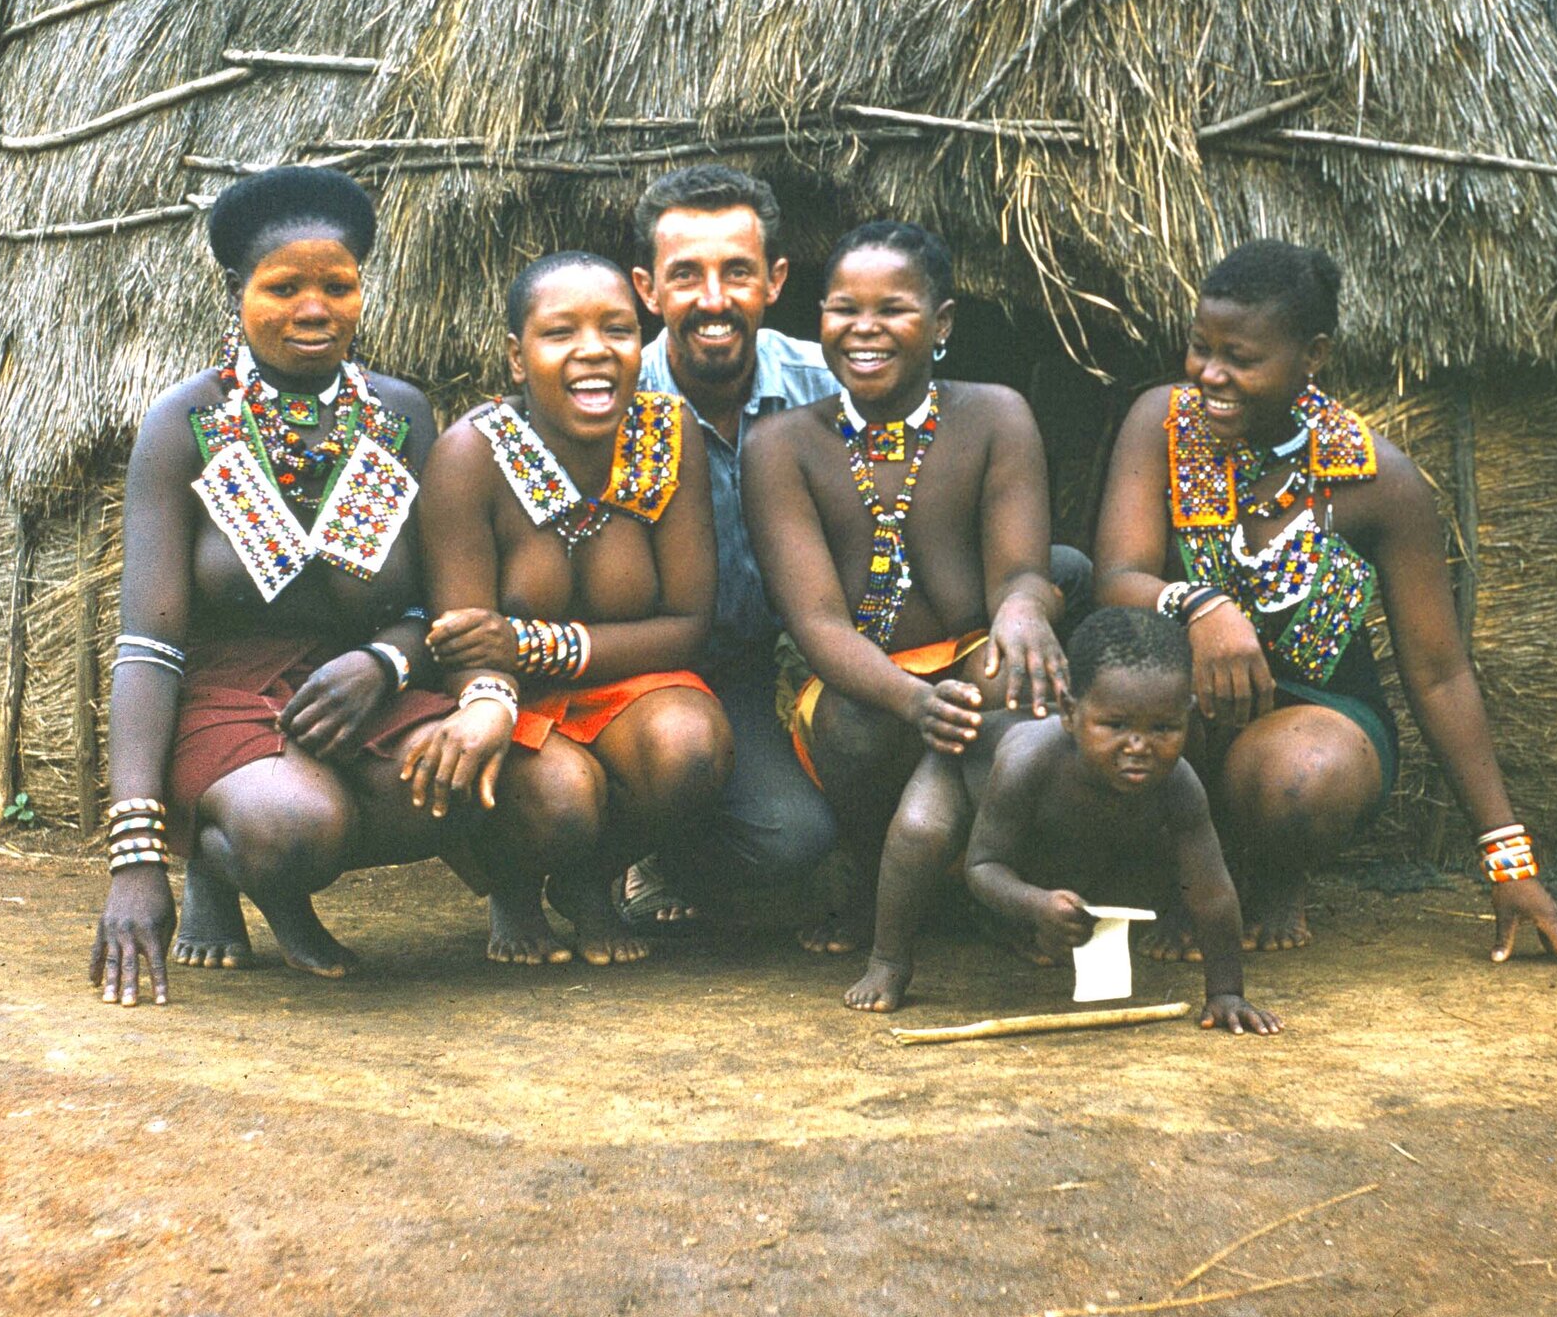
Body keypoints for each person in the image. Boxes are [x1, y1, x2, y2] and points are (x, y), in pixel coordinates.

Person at [1093, 238, 1557, 968]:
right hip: (1183, 706)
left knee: (1298, 783)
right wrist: (1203, 606)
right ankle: (1185, 880)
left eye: (1240, 358)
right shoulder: (1163, 425)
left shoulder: (1379, 482)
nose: (1210, 374)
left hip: (1316, 711)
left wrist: (1509, 860)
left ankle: (1276, 872)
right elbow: (1116, 576)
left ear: (1313, 355)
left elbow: (1438, 674)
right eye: (1199, 347)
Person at [91, 167, 450, 1006]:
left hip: (360, 695)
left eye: (338, 285)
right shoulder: (186, 425)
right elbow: (147, 645)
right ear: (237, 293)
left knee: (468, 782)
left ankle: (262, 849)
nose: (314, 309)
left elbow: (441, 597)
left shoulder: (401, 417)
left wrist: (387, 664)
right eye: (283, 287)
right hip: (222, 701)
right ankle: (225, 860)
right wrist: (136, 855)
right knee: (296, 825)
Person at [742, 220, 1072, 1009]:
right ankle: (874, 877)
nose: (864, 329)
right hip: (861, 668)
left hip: (964, 650)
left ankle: (991, 881)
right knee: (859, 725)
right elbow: (818, 623)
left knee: (1014, 681)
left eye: (892, 309)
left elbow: (1021, 570)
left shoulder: (995, 417)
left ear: (943, 323)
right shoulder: (782, 444)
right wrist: (913, 699)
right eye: (842, 309)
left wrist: (1024, 612)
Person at [399, 252, 731, 966]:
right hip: (507, 700)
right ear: (519, 358)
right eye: (560, 333)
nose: (593, 350)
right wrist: (490, 695)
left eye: (616, 329)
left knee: (691, 748)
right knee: (562, 801)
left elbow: (688, 625)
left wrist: (535, 644)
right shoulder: (471, 454)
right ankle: (514, 885)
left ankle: (588, 880)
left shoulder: (669, 434)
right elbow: (465, 641)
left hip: (625, 688)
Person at [613, 164, 842, 923]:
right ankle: (648, 849)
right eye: (687, 275)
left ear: (775, 280)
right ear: (647, 289)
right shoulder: (610, 402)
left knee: (812, 831)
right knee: (786, 839)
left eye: (736, 272)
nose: (714, 300)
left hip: (809, 656)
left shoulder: (829, 386)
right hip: (674, 672)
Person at [962, 606, 1280, 1034]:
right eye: (1115, 725)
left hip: (1062, 841)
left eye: (1163, 728)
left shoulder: (1179, 782)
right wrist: (1034, 905)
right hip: (961, 779)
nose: (1138, 746)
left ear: (1187, 717)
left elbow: (1211, 891)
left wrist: (1226, 992)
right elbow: (982, 865)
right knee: (919, 832)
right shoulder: (1030, 759)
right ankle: (888, 962)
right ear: (1070, 712)